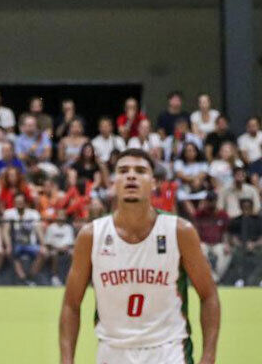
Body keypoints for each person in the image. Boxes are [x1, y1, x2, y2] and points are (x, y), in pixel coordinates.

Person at [59, 149, 220, 364]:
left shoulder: (179, 231)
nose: (131, 176)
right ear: (114, 182)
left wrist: (208, 357)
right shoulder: (91, 235)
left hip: (169, 351)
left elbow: (209, 295)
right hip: (112, 351)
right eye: (123, 171)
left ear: (154, 183)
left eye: (140, 171)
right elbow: (71, 304)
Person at [2, 192, 47, 285]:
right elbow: (5, 231)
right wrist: (8, 245)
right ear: (14, 203)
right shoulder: (9, 213)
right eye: (17, 202)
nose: (19, 204)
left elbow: (39, 230)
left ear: (25, 203)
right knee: (11, 252)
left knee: (44, 253)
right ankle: (22, 278)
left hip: (31, 244)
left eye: (21, 202)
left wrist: (43, 245)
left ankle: (30, 276)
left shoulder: (33, 214)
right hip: (16, 244)